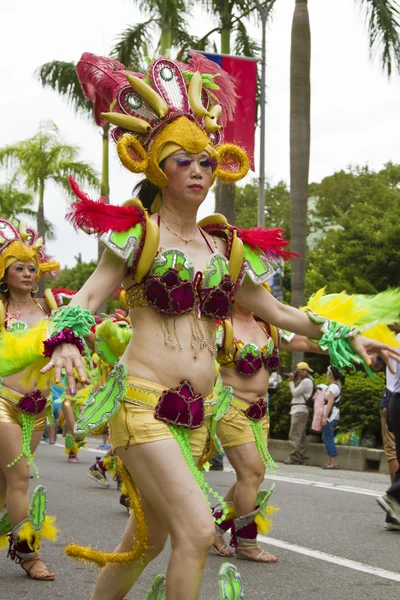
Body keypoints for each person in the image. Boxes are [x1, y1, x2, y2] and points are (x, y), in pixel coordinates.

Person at [39, 53, 398, 600]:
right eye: (184, 160)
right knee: (200, 531)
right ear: (157, 166)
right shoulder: (140, 236)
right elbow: (88, 296)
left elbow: (280, 314)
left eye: (207, 160)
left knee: (149, 540)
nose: (200, 170)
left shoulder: (226, 250)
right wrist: (65, 337)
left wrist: (348, 334)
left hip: (198, 417)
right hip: (142, 403)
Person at [211, 300, 324, 563]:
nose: (259, 292)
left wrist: (346, 342)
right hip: (230, 408)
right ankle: (246, 543)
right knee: (252, 472)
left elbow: (306, 343)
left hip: (260, 413)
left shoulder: (267, 326)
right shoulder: (218, 325)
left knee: (250, 476)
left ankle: (214, 528)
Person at [0, 219, 59, 580]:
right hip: (3, 399)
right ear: (4, 273)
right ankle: (28, 553)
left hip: (38, 408)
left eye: (31, 267)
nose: (26, 273)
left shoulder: (51, 308)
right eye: (17, 267)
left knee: (6, 481)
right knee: (21, 475)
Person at [377, 326, 400, 528]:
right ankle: (393, 498)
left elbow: (375, 364)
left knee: (396, 456)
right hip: (396, 399)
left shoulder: (391, 340)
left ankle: (394, 511)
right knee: (395, 455)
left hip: (392, 401)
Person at [283, 362, 315, 465]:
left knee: (295, 434)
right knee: (301, 436)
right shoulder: (307, 381)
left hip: (299, 410)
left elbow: (295, 393)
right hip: (301, 409)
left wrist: (292, 382)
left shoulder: (306, 381)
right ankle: (303, 457)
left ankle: (294, 457)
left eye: (299, 371)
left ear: (305, 371)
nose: (297, 373)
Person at [321, 365, 343, 469]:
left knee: (328, 437)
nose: (326, 374)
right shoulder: (334, 386)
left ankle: (333, 462)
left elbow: (330, 402)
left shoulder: (333, 387)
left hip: (330, 415)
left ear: (330, 374)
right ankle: (330, 462)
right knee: (326, 437)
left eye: (327, 372)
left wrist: (325, 417)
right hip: (331, 414)